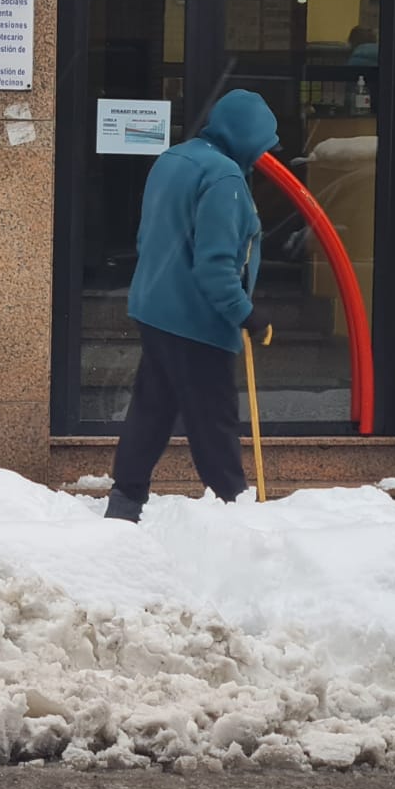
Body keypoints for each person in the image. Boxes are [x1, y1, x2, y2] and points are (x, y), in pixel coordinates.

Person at [103, 89, 278, 523]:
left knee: (153, 408)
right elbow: (216, 267)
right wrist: (246, 314)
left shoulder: (174, 158)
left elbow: (150, 237)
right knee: (213, 422)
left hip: (155, 307)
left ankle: (125, 501)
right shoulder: (225, 180)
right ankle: (234, 512)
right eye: (260, 144)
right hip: (197, 320)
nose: (260, 156)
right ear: (245, 136)